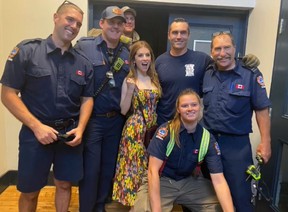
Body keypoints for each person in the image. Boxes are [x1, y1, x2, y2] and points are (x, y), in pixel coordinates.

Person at [0, 1, 94, 212]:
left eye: (78, 23)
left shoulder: (83, 63)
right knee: (30, 191)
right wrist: (36, 126)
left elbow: (87, 98)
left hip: (69, 134)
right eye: (70, 19)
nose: (74, 26)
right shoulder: (27, 51)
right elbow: (7, 94)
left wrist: (80, 128)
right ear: (55, 17)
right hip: (35, 134)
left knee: (64, 184)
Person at [202, 31, 271, 212]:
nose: (222, 53)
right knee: (208, 193)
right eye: (217, 49)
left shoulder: (250, 74)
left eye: (227, 48)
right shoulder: (208, 73)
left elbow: (262, 109)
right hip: (208, 143)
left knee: (241, 196)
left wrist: (266, 142)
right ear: (211, 52)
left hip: (236, 146)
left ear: (235, 49)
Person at [133, 89, 234, 212]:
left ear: (199, 107)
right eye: (184, 106)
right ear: (178, 110)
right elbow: (152, 172)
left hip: (188, 181)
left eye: (194, 104)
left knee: (223, 206)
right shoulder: (165, 132)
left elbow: (218, 180)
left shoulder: (207, 138)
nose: (190, 109)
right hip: (162, 181)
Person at [74, 6, 130, 212]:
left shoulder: (128, 51)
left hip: (116, 121)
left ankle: (99, 207)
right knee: (91, 170)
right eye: (111, 22)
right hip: (93, 120)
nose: (115, 26)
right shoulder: (84, 47)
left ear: (124, 27)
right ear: (102, 24)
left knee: (108, 169)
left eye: (119, 23)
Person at [155, 17, 260, 126]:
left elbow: (224, 62)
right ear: (169, 35)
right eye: (175, 33)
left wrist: (244, 61)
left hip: (192, 125)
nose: (179, 36)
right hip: (165, 123)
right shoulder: (159, 61)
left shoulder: (202, 59)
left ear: (188, 35)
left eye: (183, 32)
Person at [112, 41, 161, 211]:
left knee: (149, 167)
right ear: (133, 60)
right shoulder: (129, 79)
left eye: (147, 55)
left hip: (152, 129)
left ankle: (145, 202)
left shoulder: (154, 78)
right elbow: (123, 110)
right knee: (134, 167)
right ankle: (134, 205)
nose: (145, 58)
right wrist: (131, 90)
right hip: (135, 129)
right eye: (140, 55)